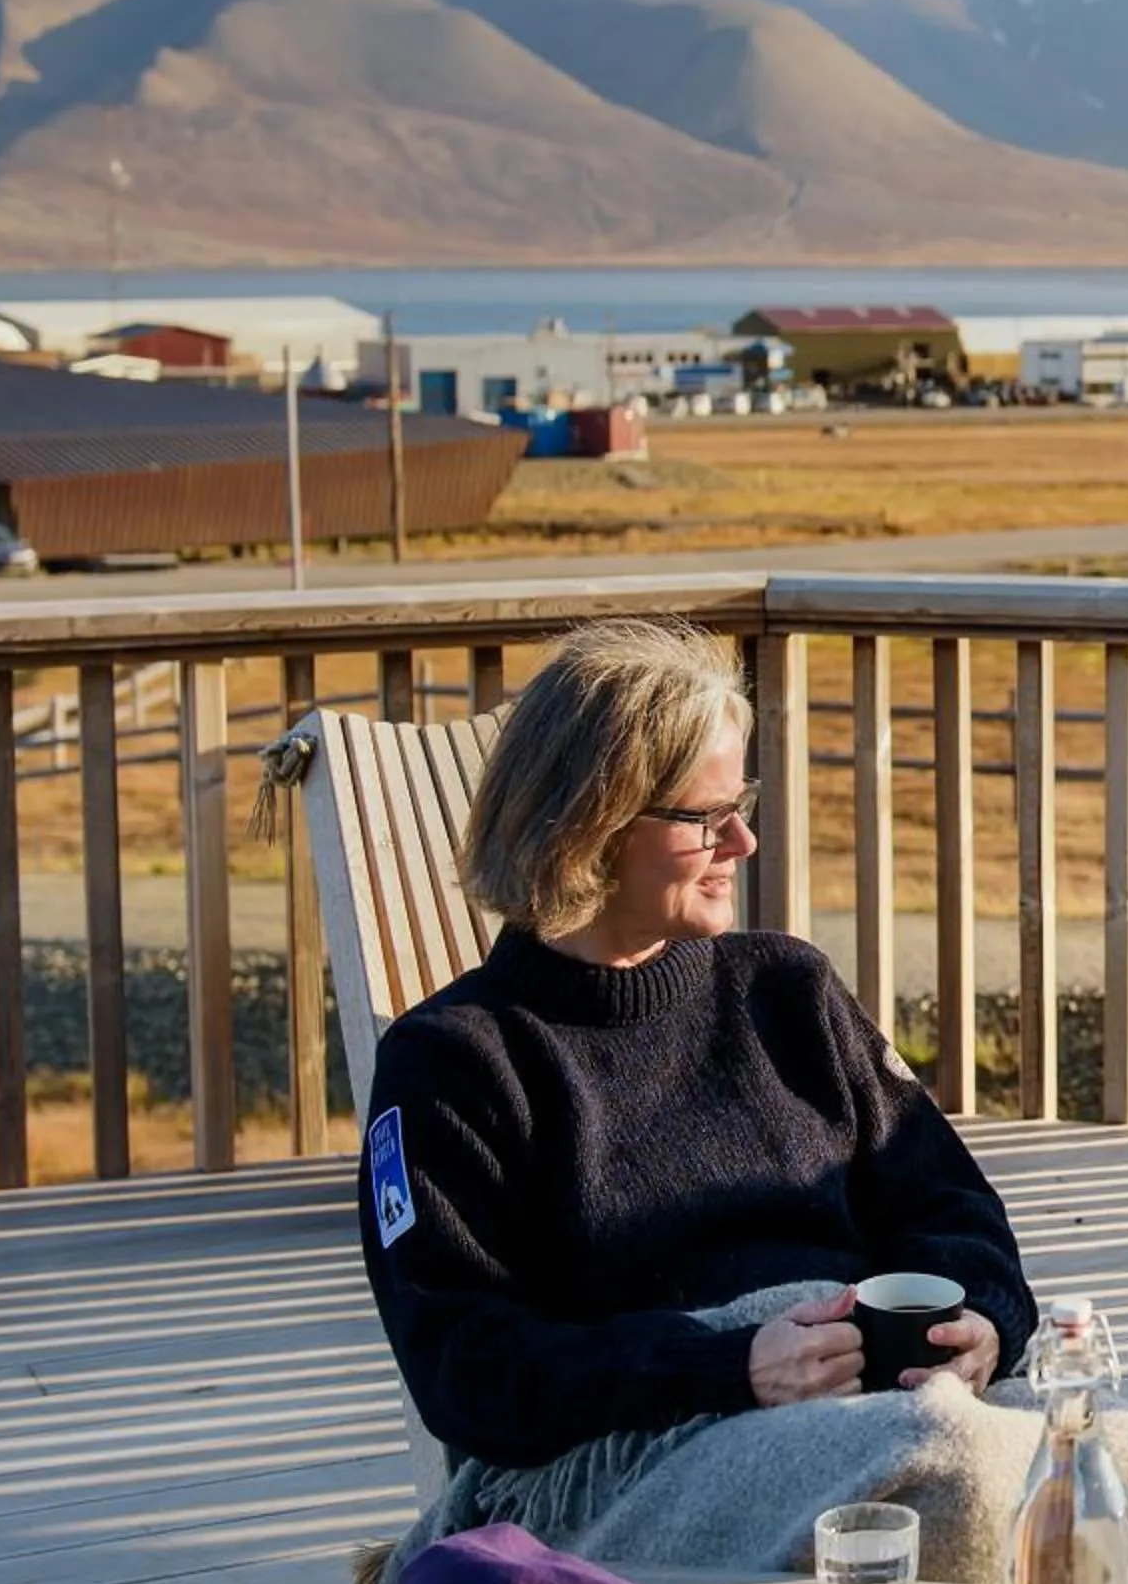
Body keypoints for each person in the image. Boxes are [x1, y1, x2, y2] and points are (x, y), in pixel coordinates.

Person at [358, 616, 1037, 1470]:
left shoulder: (787, 990)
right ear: (589, 825)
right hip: (642, 1448)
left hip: (880, 1407)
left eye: (740, 807)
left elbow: (949, 1204)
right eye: (707, 818)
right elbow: (463, 1367)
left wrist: (981, 1321)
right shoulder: (455, 1065)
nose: (742, 844)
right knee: (978, 1488)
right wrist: (730, 1365)